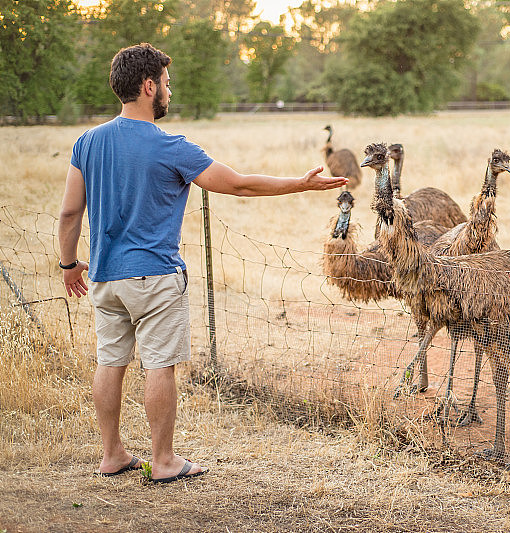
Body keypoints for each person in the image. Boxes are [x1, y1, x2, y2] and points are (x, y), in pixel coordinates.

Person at [58, 43, 347, 484]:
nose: (170, 91)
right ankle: (164, 461)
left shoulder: (87, 142)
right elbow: (239, 186)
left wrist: (68, 264)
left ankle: (112, 454)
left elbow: (69, 212)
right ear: (149, 86)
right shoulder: (172, 147)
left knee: (110, 362)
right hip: (153, 277)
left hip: (104, 277)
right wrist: (299, 184)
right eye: (166, 83)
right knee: (159, 365)